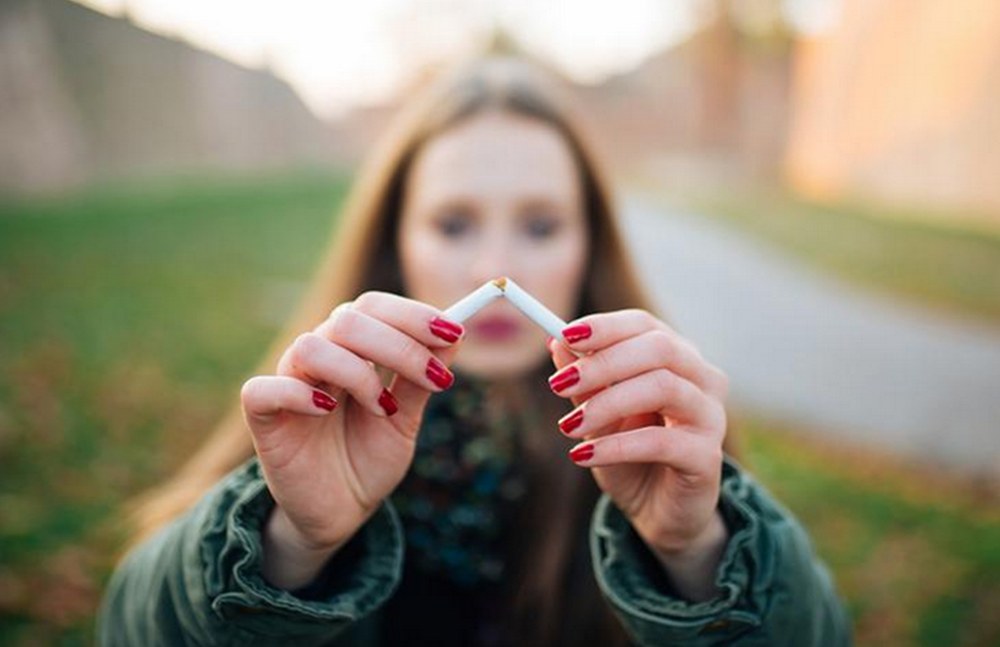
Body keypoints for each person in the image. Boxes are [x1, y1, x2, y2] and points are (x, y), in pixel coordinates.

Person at [97, 56, 850, 646]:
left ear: (589, 244)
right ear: (396, 242)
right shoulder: (318, 420)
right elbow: (126, 629)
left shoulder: (650, 438)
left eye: (541, 224)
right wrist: (291, 541)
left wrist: (696, 551)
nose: (497, 268)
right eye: (454, 223)